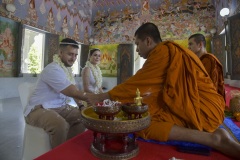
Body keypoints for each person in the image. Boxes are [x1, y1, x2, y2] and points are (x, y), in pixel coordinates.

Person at [84, 23, 240, 158]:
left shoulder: (163, 52)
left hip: (204, 111)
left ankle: (213, 139)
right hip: (209, 106)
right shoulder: (170, 50)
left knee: (144, 124)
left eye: (138, 44)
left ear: (148, 41)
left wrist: (102, 96)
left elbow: (138, 83)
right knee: (141, 112)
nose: (137, 49)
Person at [24, 38, 88, 148]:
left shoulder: (67, 70)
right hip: (38, 109)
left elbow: (73, 90)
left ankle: (68, 149)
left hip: (60, 107)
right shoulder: (52, 69)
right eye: (70, 54)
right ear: (60, 52)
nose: (73, 58)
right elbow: (72, 91)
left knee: (83, 118)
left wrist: (81, 106)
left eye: (75, 55)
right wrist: (92, 98)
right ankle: (58, 155)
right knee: (60, 125)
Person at [188, 33, 225, 101]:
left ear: (200, 45)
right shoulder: (199, 61)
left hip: (209, 98)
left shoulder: (209, 60)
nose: (188, 47)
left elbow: (210, 84)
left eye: (191, 44)